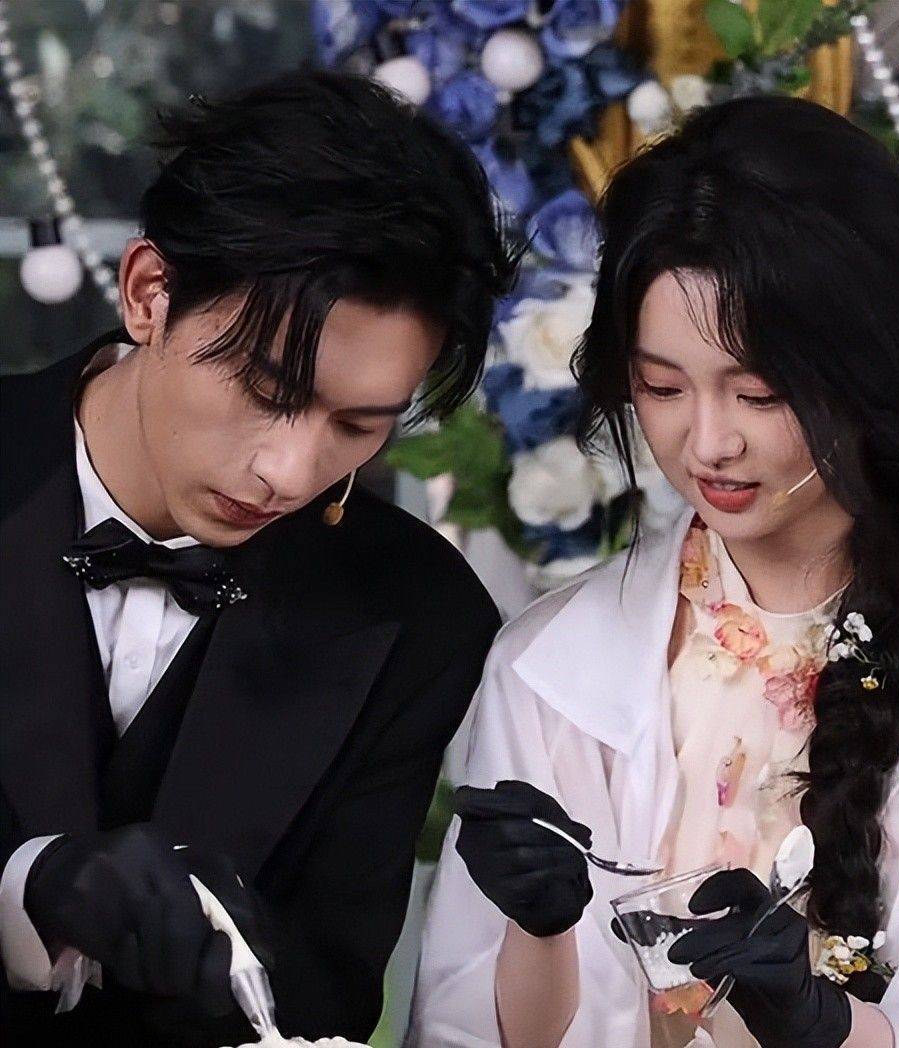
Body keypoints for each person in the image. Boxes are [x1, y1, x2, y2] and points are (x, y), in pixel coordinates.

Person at [410, 96, 899, 1048]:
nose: (708, 443)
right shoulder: (551, 669)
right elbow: (462, 1029)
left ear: (876, 368)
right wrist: (539, 934)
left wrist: (831, 1028)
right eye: (662, 387)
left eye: (758, 392)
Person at [0, 70, 518, 1047]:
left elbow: (325, 1000)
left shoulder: (422, 615)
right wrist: (27, 890)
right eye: (266, 388)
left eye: (357, 424)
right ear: (149, 293)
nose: (290, 471)